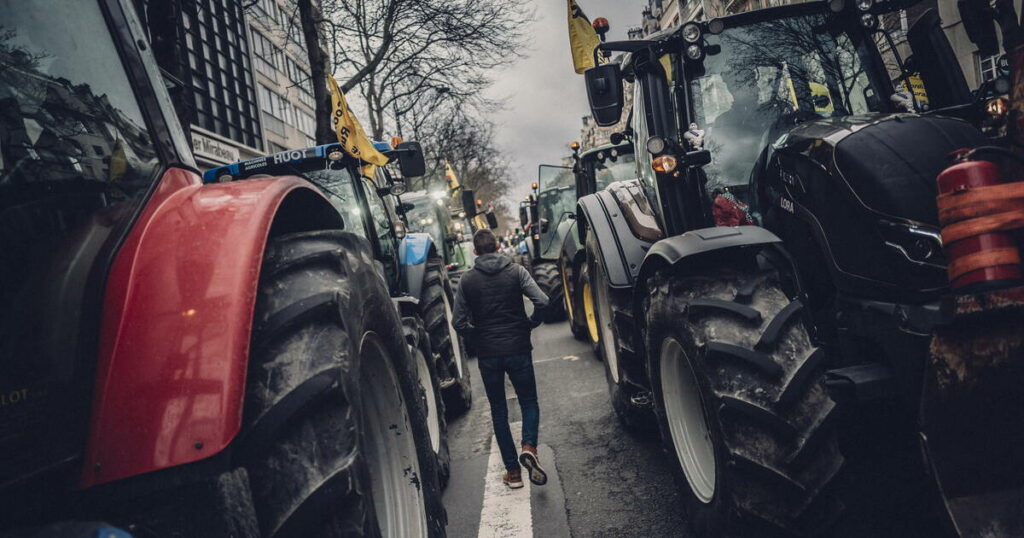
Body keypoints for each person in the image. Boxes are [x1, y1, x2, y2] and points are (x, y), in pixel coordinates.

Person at [452, 228, 549, 489]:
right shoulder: (516, 271)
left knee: (499, 410)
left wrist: (478, 337)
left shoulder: (466, 280)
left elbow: (458, 322)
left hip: (488, 355)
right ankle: (529, 447)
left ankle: (513, 473)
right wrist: (529, 324)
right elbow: (542, 300)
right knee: (529, 402)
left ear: (474, 251)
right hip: (518, 348)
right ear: (497, 246)